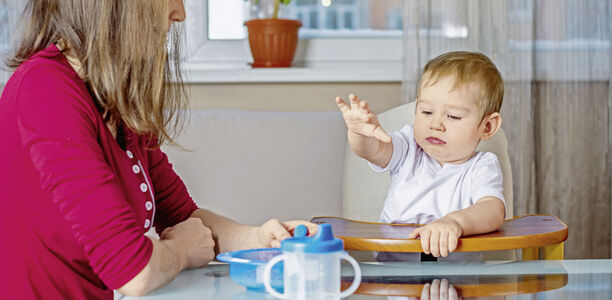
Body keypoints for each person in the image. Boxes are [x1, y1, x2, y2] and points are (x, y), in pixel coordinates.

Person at [0, 0, 316, 299]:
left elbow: (183, 218)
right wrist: (179, 253)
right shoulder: (45, 90)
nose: (180, 14)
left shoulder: (115, 102)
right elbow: (132, 273)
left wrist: (260, 239)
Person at [335, 51, 506, 261]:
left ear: (487, 126)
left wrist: (455, 222)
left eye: (453, 116)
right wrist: (359, 134)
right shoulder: (409, 146)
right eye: (426, 112)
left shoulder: (481, 166)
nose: (435, 124)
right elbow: (375, 150)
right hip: (395, 269)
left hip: (459, 276)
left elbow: (493, 209)